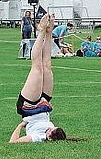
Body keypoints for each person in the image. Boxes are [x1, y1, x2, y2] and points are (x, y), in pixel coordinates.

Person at [10, 14, 67, 143]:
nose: (49, 128)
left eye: (49, 131)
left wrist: (20, 125)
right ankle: (48, 32)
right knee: (47, 66)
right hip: (44, 104)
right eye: (52, 128)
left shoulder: (39, 137)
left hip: (30, 107)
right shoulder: (53, 130)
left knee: (37, 68)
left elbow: (13, 142)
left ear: (49, 137)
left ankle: (41, 31)